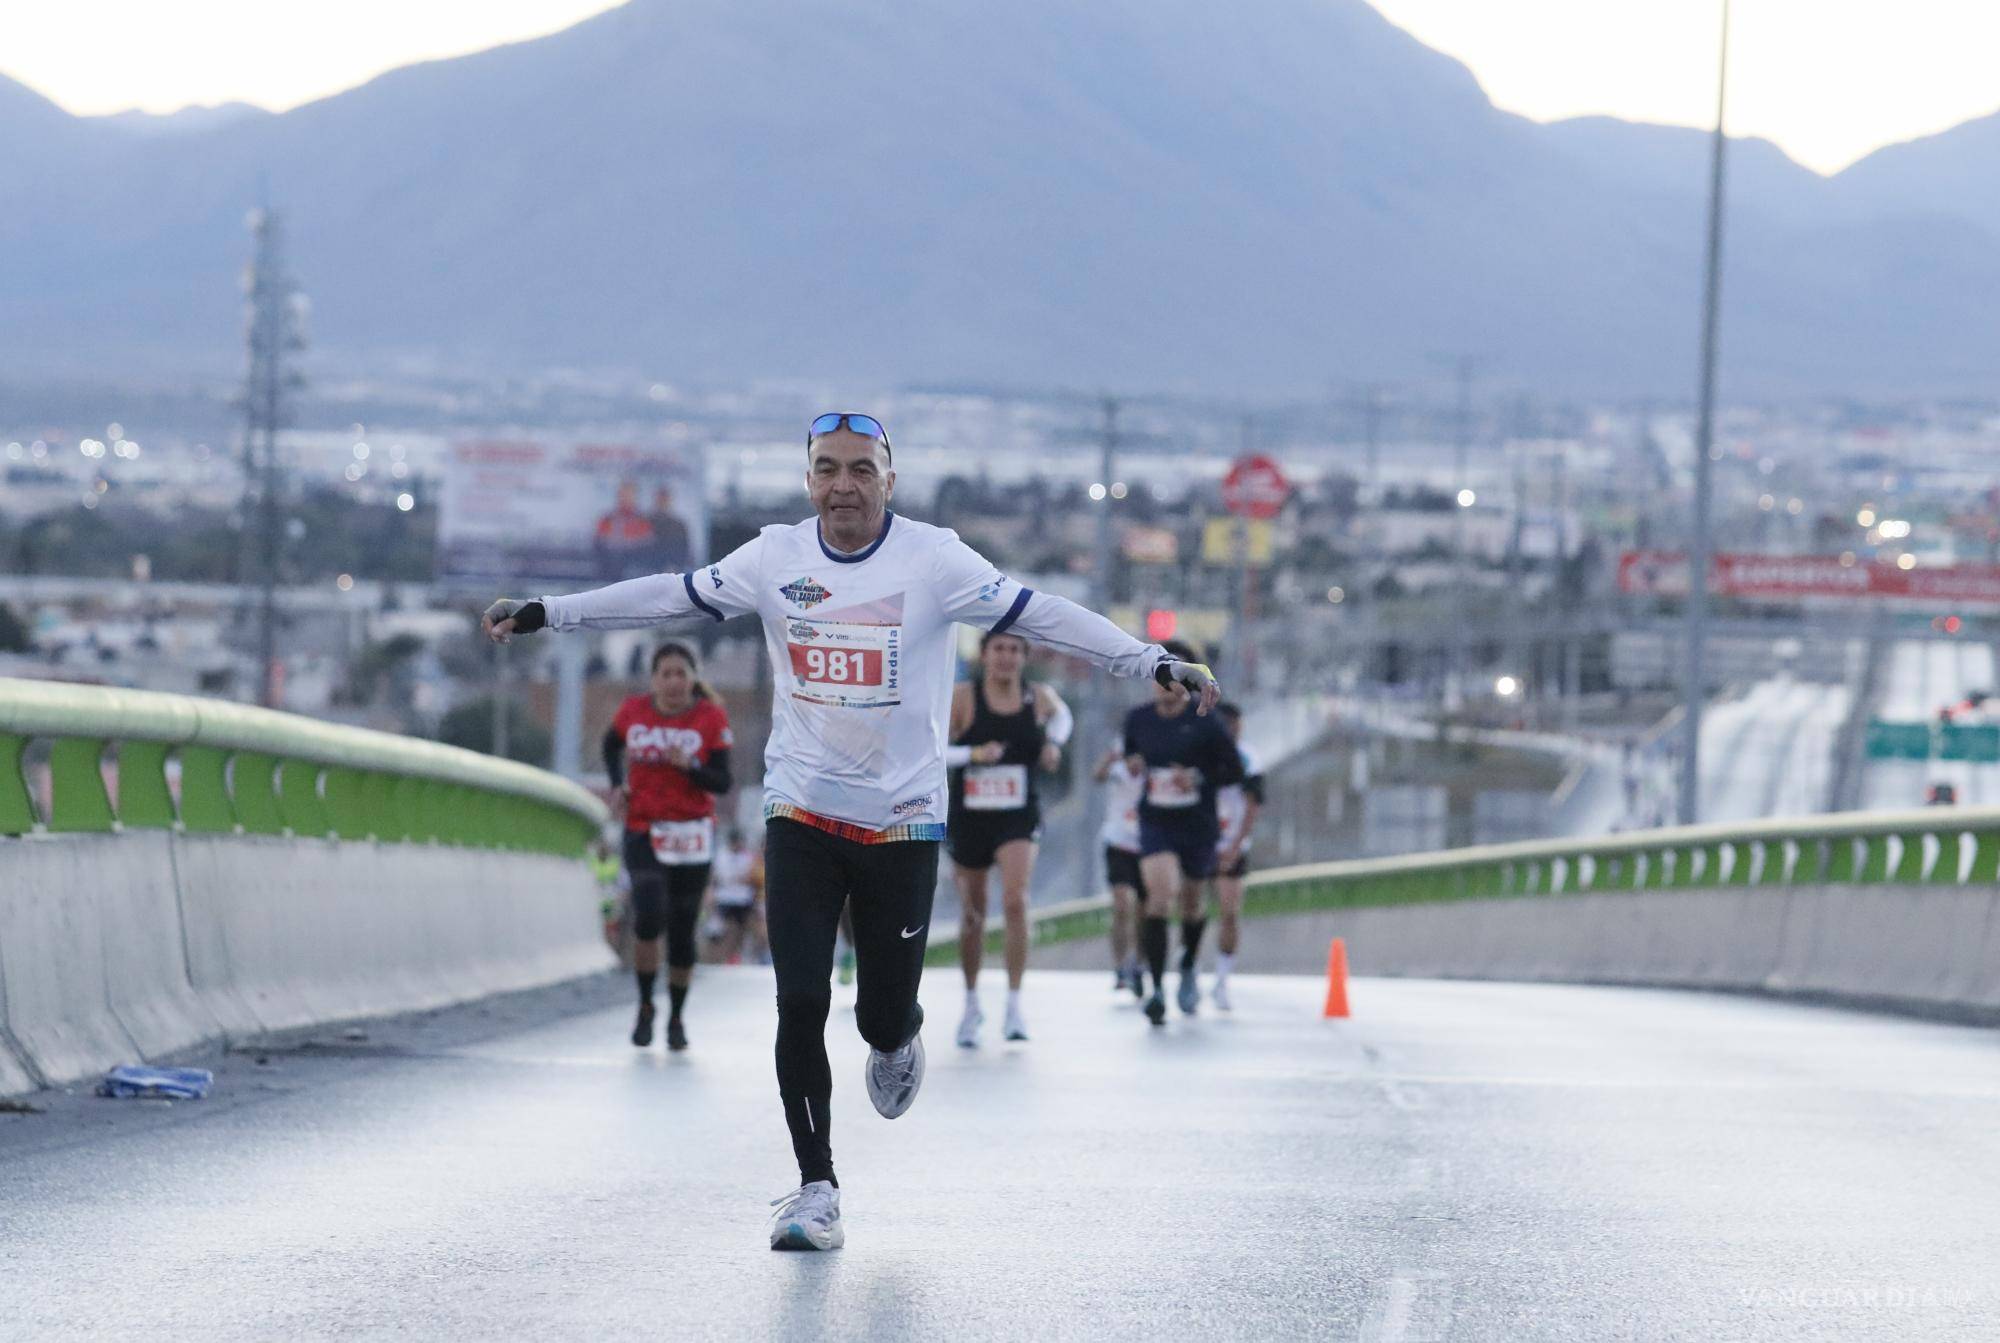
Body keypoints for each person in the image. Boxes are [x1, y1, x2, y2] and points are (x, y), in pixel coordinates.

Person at [484, 411, 1219, 1252]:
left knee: (877, 1015)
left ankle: (898, 1031)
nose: (843, 485)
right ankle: (815, 1187)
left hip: (902, 822)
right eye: (827, 469)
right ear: (807, 482)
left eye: (860, 470)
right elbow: (668, 594)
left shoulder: (934, 561)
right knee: (799, 997)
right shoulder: (773, 558)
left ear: (888, 481)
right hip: (799, 808)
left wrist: (1149, 659)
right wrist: (551, 611)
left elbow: (1042, 614)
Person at [602, 642, 734, 1052]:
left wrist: (690, 766)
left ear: (693, 678)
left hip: (692, 834)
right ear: (654, 679)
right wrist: (617, 784)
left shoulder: (710, 718)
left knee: (680, 932)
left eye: (681, 673)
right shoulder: (633, 712)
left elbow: (723, 781)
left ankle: (676, 1015)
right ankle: (645, 1004)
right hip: (644, 828)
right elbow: (611, 744)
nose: (674, 681)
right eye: (666, 674)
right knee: (649, 914)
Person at [946, 629, 1073, 1046]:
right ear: (984, 655)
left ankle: (1015, 1004)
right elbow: (932, 748)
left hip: (1018, 814)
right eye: (998, 648)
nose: (1006, 657)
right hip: (971, 815)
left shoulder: (1038, 697)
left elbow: (1063, 717)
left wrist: (1053, 744)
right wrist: (974, 755)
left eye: (1015, 650)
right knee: (973, 912)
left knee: (1016, 901)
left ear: (1024, 657)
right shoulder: (964, 698)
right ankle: (969, 1004)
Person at [1123, 639, 1243, 1026]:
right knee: (1158, 897)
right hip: (1157, 821)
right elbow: (1131, 753)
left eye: (1176, 674)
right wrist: (1135, 763)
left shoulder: (1207, 721)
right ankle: (1156, 988)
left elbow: (1233, 770)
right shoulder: (1138, 720)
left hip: (1197, 824)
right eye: (1160, 674)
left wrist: (1196, 777)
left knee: (1192, 904)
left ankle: (1188, 962)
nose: (1166, 683)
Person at [1207, 703, 1265, 1012]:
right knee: (1189, 906)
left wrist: (1236, 845)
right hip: (1200, 841)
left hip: (1230, 844)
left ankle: (1222, 979)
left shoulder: (1248, 759)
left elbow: (1253, 805)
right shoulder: (1201, 751)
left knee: (1230, 911)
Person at [1093, 742, 1146, 997]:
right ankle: (1119, 965)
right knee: (1122, 904)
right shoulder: (1118, 771)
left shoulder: (1153, 773)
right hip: (1118, 844)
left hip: (1147, 846)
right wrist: (1108, 760)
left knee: (1143, 911)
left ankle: (1139, 964)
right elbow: (1098, 776)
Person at [705, 827, 766, 964]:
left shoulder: (748, 857)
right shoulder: (721, 856)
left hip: (743, 899)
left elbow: (751, 878)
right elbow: (715, 878)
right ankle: (717, 958)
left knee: (740, 930)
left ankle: (735, 956)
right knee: (720, 931)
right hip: (724, 898)